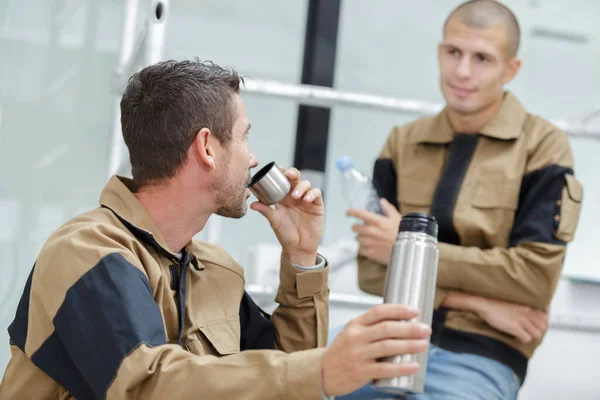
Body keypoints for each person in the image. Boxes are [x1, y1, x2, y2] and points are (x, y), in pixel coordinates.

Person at [0, 60, 433, 399]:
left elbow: (285, 384)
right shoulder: (87, 252)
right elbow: (146, 388)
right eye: (243, 137)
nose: (252, 157)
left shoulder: (215, 270)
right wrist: (320, 370)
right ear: (207, 147)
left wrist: (302, 258)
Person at [339, 1, 584, 399]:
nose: (462, 71)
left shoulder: (544, 147)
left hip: (483, 353)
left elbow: (533, 279)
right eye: (453, 52)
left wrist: (404, 252)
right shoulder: (402, 143)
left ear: (511, 69)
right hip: (390, 337)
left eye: (482, 58)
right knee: (288, 379)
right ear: (439, 52)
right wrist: (477, 300)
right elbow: (370, 270)